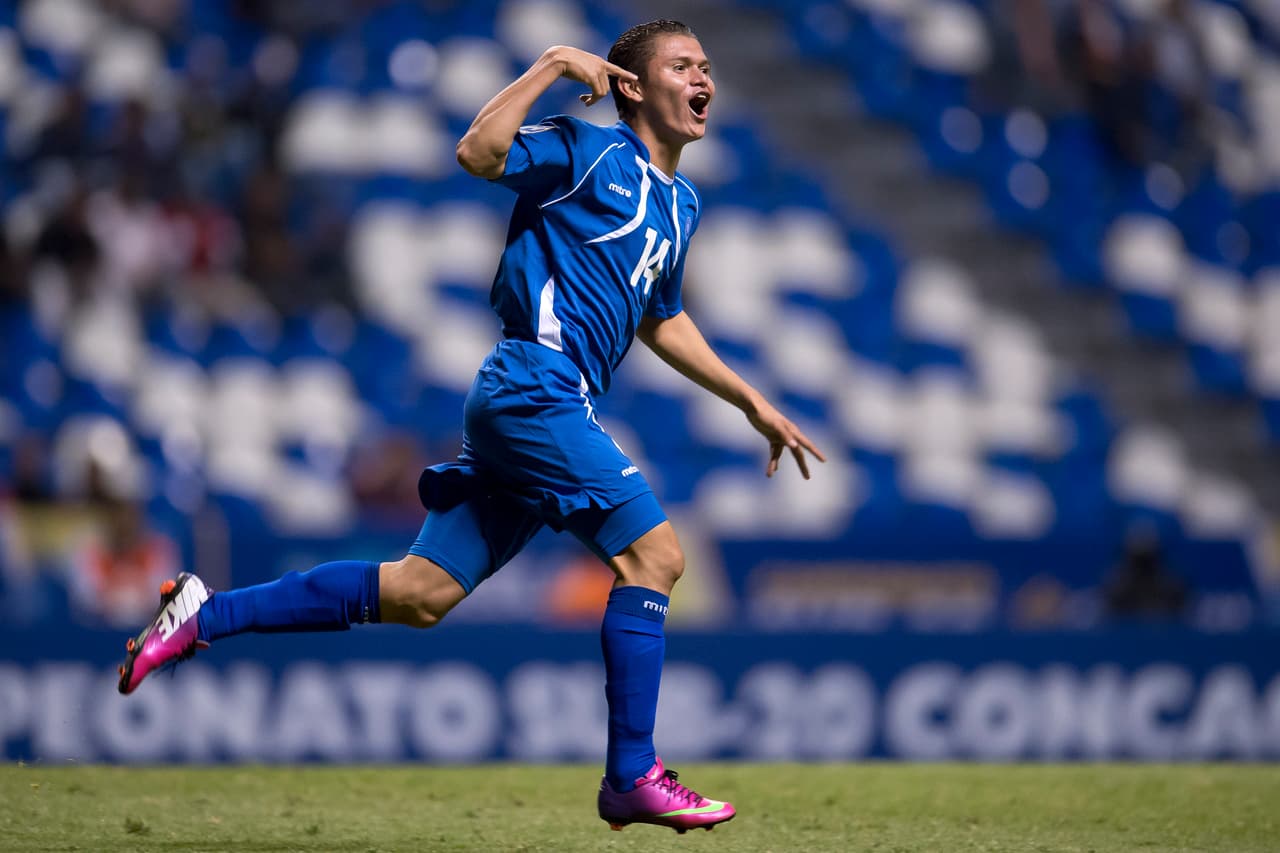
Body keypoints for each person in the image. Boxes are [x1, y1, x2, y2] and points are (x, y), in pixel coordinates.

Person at [116, 20, 824, 833]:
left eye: (707, 64)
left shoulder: (682, 202)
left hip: (547, 403)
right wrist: (554, 64)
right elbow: (478, 154)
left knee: (421, 593)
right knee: (656, 555)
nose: (704, 77)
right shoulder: (585, 149)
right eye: (683, 65)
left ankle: (203, 613)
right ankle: (632, 774)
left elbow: (660, 318)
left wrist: (751, 401)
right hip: (534, 385)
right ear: (633, 86)